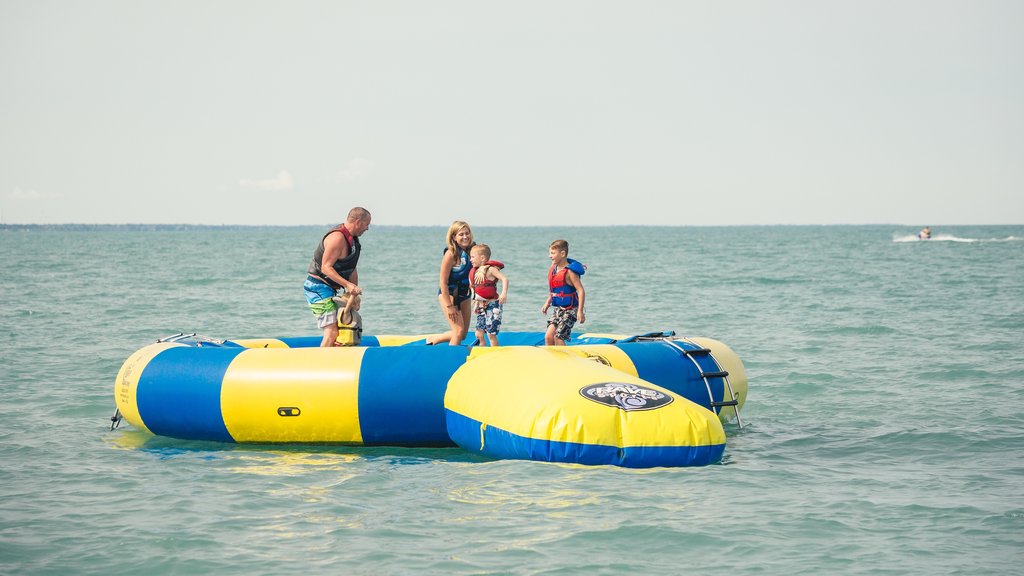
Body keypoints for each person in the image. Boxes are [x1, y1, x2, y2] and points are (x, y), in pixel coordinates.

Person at [303, 207, 371, 347]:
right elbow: (326, 268)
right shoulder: (337, 238)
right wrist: (347, 285)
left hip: (329, 289)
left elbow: (351, 269)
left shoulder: (353, 242)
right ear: (358, 222)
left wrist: (352, 296)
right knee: (332, 332)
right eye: (366, 224)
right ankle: (320, 366)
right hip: (317, 288)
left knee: (343, 329)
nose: (367, 228)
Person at [426, 220, 475, 346]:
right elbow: (443, 282)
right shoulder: (450, 254)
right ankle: (451, 358)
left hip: (465, 295)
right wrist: (449, 306)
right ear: (454, 237)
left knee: (463, 334)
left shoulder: (473, 252)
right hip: (449, 295)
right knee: (458, 331)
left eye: (467, 233)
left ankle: (436, 338)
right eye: (461, 234)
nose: (465, 237)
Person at [541, 239, 586, 346]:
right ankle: (551, 360)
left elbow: (580, 291)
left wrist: (580, 311)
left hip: (571, 310)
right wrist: (547, 303)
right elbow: (554, 290)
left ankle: (564, 360)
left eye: (552, 253)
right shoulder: (553, 269)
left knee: (558, 337)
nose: (549, 256)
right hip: (558, 309)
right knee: (548, 336)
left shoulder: (570, 272)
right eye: (550, 253)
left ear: (562, 254)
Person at [468, 243, 509, 347]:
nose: (470, 260)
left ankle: (494, 353)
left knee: (491, 334)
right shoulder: (475, 271)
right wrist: (476, 304)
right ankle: (483, 350)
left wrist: (503, 293)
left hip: (493, 305)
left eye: (472, 257)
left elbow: (505, 279)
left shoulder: (490, 269)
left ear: (482, 258)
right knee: (479, 334)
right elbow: (478, 288)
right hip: (482, 306)